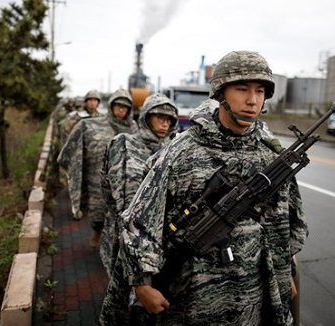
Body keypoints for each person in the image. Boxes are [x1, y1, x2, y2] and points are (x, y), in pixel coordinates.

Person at [117, 51, 307, 325]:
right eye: (242, 89)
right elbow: (140, 221)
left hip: (255, 299)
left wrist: (284, 270)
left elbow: (288, 219)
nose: (252, 100)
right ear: (220, 94)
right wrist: (142, 283)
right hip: (194, 302)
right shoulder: (182, 152)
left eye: (260, 91)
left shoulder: (270, 155)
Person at [99, 93, 179, 274]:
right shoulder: (124, 144)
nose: (165, 124)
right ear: (146, 118)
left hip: (159, 238)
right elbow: (107, 186)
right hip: (122, 229)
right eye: (160, 118)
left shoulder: (173, 149)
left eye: (169, 119)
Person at [58, 88, 138, 247]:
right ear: (111, 106)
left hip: (125, 183)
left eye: (125, 107)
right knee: (97, 212)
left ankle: (117, 245)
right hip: (98, 179)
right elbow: (70, 145)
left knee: (123, 216)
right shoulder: (92, 124)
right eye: (118, 106)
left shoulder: (134, 128)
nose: (121, 109)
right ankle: (96, 231)